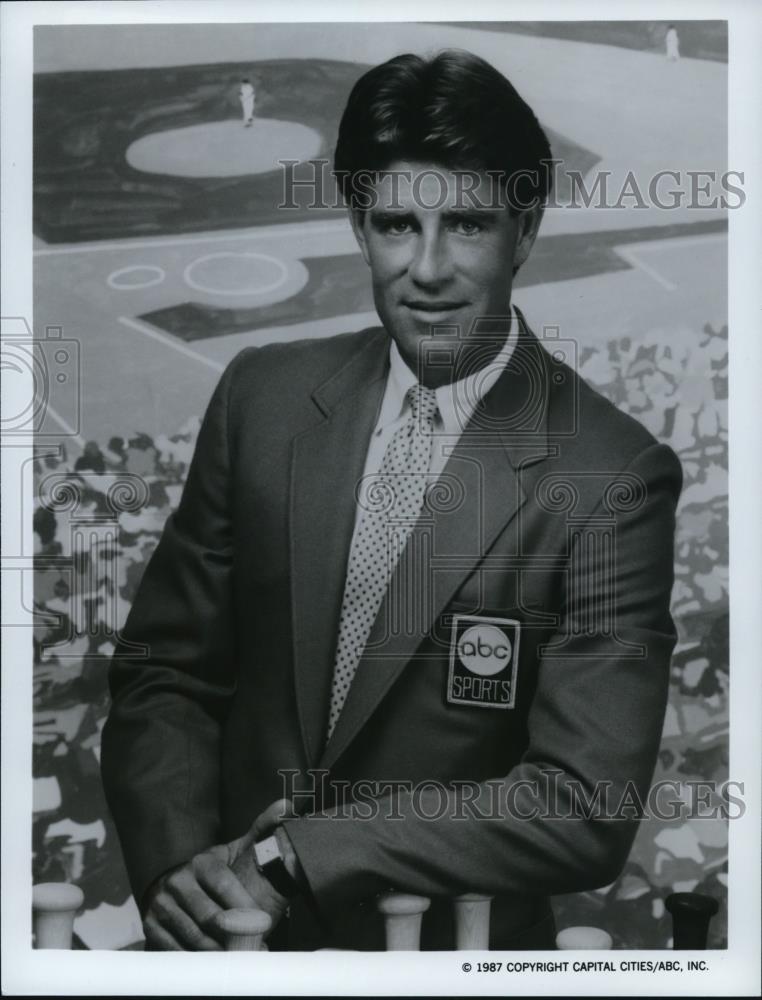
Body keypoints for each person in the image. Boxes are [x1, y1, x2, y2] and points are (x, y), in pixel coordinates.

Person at [101, 50, 683, 951]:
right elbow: (163, 671)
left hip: (450, 953)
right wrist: (184, 876)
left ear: (524, 230)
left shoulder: (613, 474)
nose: (430, 267)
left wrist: (299, 853)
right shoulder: (261, 395)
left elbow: (581, 804)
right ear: (358, 226)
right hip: (223, 940)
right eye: (397, 224)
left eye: (469, 225)